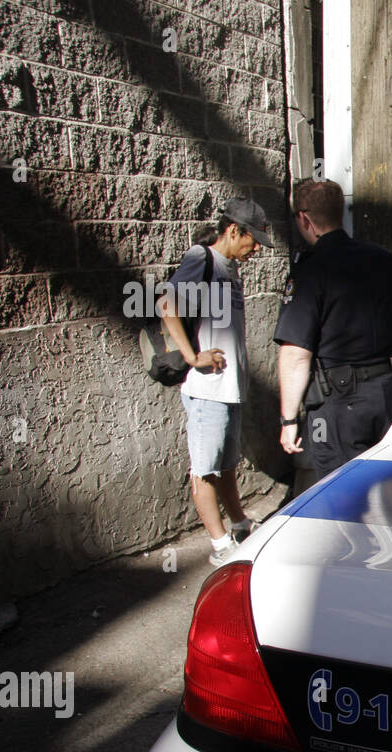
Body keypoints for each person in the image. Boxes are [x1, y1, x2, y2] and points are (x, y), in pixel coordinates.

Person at [274, 178, 392, 479]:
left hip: (339, 404)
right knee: (388, 479)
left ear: (304, 219)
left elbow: (296, 355)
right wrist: (389, 371)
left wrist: (288, 421)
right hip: (386, 392)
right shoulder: (384, 261)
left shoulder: (309, 272)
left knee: (343, 490)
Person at [160, 198, 273, 565]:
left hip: (227, 389)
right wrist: (193, 357)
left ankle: (238, 523)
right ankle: (221, 546)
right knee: (205, 470)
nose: (255, 248)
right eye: (252, 240)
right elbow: (167, 305)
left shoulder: (229, 267)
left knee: (226, 465)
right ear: (233, 230)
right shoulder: (201, 258)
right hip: (207, 389)